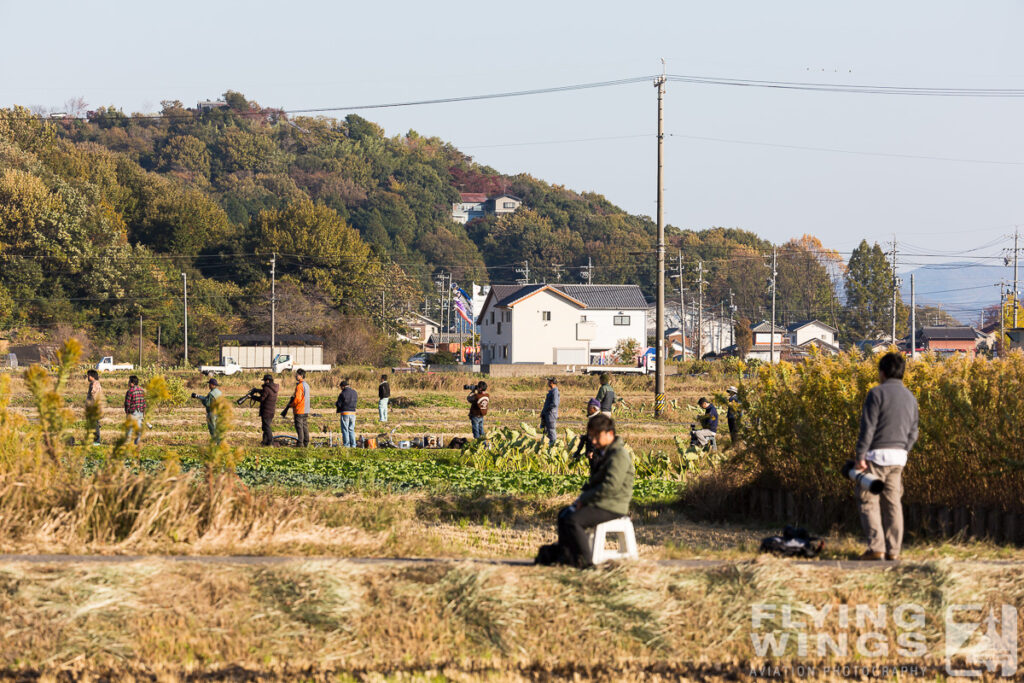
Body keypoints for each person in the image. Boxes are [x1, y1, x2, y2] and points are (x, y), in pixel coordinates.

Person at [854, 352, 919, 561]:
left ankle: (876, 548)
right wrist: (904, 450)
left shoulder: (876, 394)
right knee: (893, 503)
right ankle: (894, 551)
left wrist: (860, 455)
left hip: (876, 456)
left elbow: (868, 428)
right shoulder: (910, 397)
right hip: (899, 457)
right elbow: (914, 432)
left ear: (882, 372)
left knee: (868, 500)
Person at [548, 414, 635, 568]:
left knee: (574, 520)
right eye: (591, 437)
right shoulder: (605, 453)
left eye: (597, 437)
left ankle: (587, 563)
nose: (593, 441)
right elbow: (595, 482)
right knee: (564, 514)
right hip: (601, 502)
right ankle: (567, 558)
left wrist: (585, 500)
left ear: (610, 434)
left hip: (612, 505)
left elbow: (611, 486)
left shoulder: (619, 455)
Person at [281, 369, 310, 447]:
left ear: (301, 376)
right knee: (305, 427)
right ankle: (306, 443)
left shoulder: (300, 386)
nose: (295, 376)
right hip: (306, 410)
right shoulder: (306, 385)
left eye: (297, 375)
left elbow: (297, 399)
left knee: (299, 427)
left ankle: (300, 444)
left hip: (299, 409)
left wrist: (291, 405)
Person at [571, 398, 603, 462]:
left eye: (589, 407)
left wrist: (592, 451)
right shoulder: (593, 419)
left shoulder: (596, 420)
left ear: (594, 409)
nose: (587, 409)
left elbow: (596, 437)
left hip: (595, 454)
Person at [255, 374, 279, 446]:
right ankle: (265, 442)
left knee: (266, 427)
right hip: (271, 411)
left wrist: (252, 397)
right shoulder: (274, 388)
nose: (264, 382)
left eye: (265, 381)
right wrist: (258, 391)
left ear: (267, 381)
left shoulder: (266, 388)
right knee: (266, 426)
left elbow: (262, 399)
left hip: (266, 411)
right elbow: (266, 393)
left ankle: (270, 442)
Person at [123, 375, 146, 446]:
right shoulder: (142, 390)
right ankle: (137, 442)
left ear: (132, 382)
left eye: (129, 381)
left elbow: (127, 403)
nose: (128, 382)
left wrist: (127, 412)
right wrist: (144, 412)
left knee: (129, 428)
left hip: (132, 412)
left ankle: (127, 442)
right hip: (140, 412)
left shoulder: (130, 391)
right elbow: (144, 403)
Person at [336, 379, 358, 447]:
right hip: (353, 413)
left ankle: (346, 445)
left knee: (345, 430)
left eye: (341, 387)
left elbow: (339, 404)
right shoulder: (354, 392)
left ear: (343, 386)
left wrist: (336, 404)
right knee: (351, 429)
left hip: (345, 413)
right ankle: (353, 445)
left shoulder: (342, 393)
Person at [85, 369, 104, 446]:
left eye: (88, 375)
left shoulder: (95, 384)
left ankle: (97, 441)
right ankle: (94, 440)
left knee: (95, 424)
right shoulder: (93, 384)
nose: (87, 377)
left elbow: (94, 396)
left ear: (92, 376)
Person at [540, 377, 560, 446]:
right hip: (548, 415)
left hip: (551, 415)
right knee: (548, 431)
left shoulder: (555, 391)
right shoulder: (552, 391)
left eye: (549, 382)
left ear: (552, 382)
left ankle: (553, 445)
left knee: (551, 430)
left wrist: (547, 409)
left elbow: (555, 403)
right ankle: (549, 445)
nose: (548, 383)